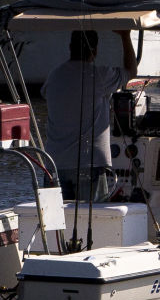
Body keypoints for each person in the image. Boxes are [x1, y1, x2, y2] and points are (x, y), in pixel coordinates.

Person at [42, 29, 137, 201]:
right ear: (95, 51)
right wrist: (125, 36)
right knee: (93, 218)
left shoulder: (54, 76)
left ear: (70, 47)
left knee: (56, 223)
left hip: (54, 163)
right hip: (89, 163)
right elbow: (131, 71)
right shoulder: (100, 75)